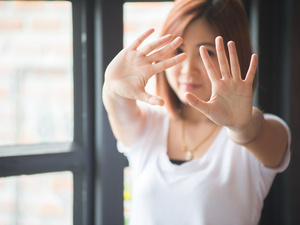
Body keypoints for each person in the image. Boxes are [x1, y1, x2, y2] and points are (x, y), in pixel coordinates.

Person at [102, 0, 291, 224]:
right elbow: (117, 104)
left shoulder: (265, 132)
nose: (188, 69)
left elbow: (255, 131)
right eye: (179, 51)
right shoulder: (148, 126)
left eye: (206, 53)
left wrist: (240, 126)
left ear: (235, 56)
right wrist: (112, 86)